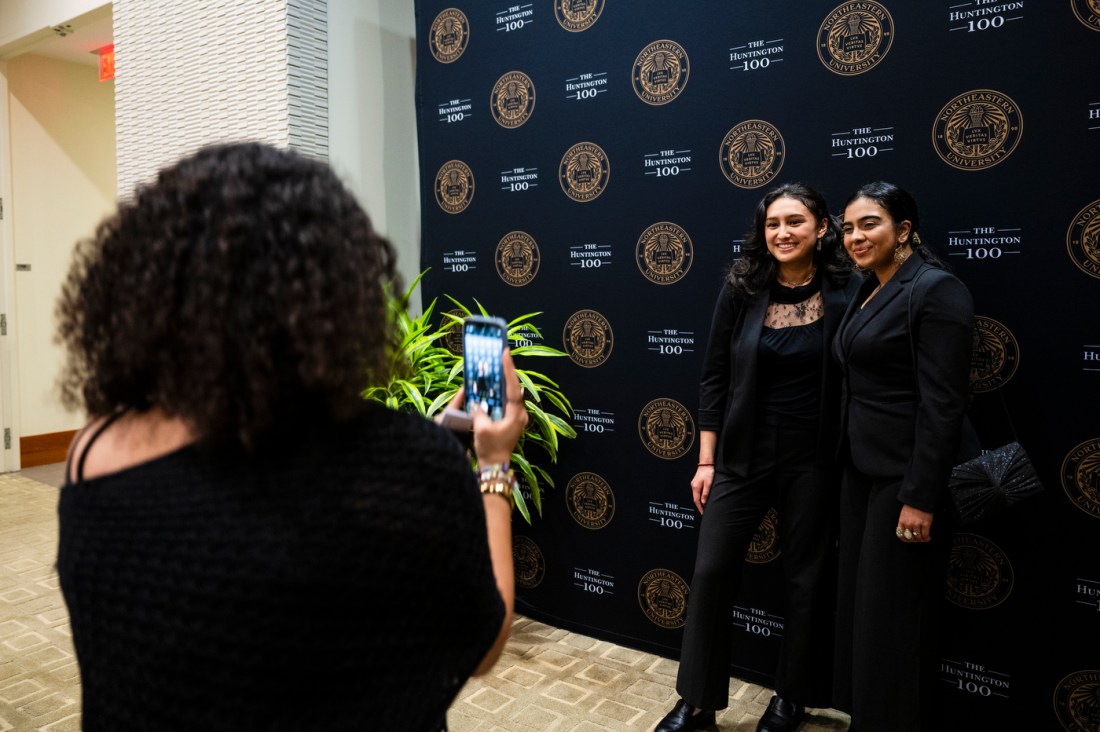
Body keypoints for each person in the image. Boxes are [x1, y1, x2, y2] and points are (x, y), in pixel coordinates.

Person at [53, 141, 528, 732]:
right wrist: (492, 464)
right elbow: (483, 643)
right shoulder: (414, 464)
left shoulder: (92, 455)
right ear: (336, 292)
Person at [656, 183, 860, 732]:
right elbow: (715, 377)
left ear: (822, 228)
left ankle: (790, 698)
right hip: (743, 454)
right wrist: (705, 461)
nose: (782, 233)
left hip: (816, 456)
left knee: (805, 579)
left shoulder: (849, 287)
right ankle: (697, 703)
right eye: (773, 223)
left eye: (795, 222)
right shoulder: (743, 287)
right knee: (713, 570)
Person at [831, 181, 979, 731]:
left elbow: (944, 406)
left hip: (906, 480)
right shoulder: (867, 289)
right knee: (866, 616)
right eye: (847, 227)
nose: (855, 236)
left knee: (894, 619)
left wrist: (921, 497)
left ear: (904, 231)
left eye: (869, 223)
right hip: (862, 473)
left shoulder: (936, 290)